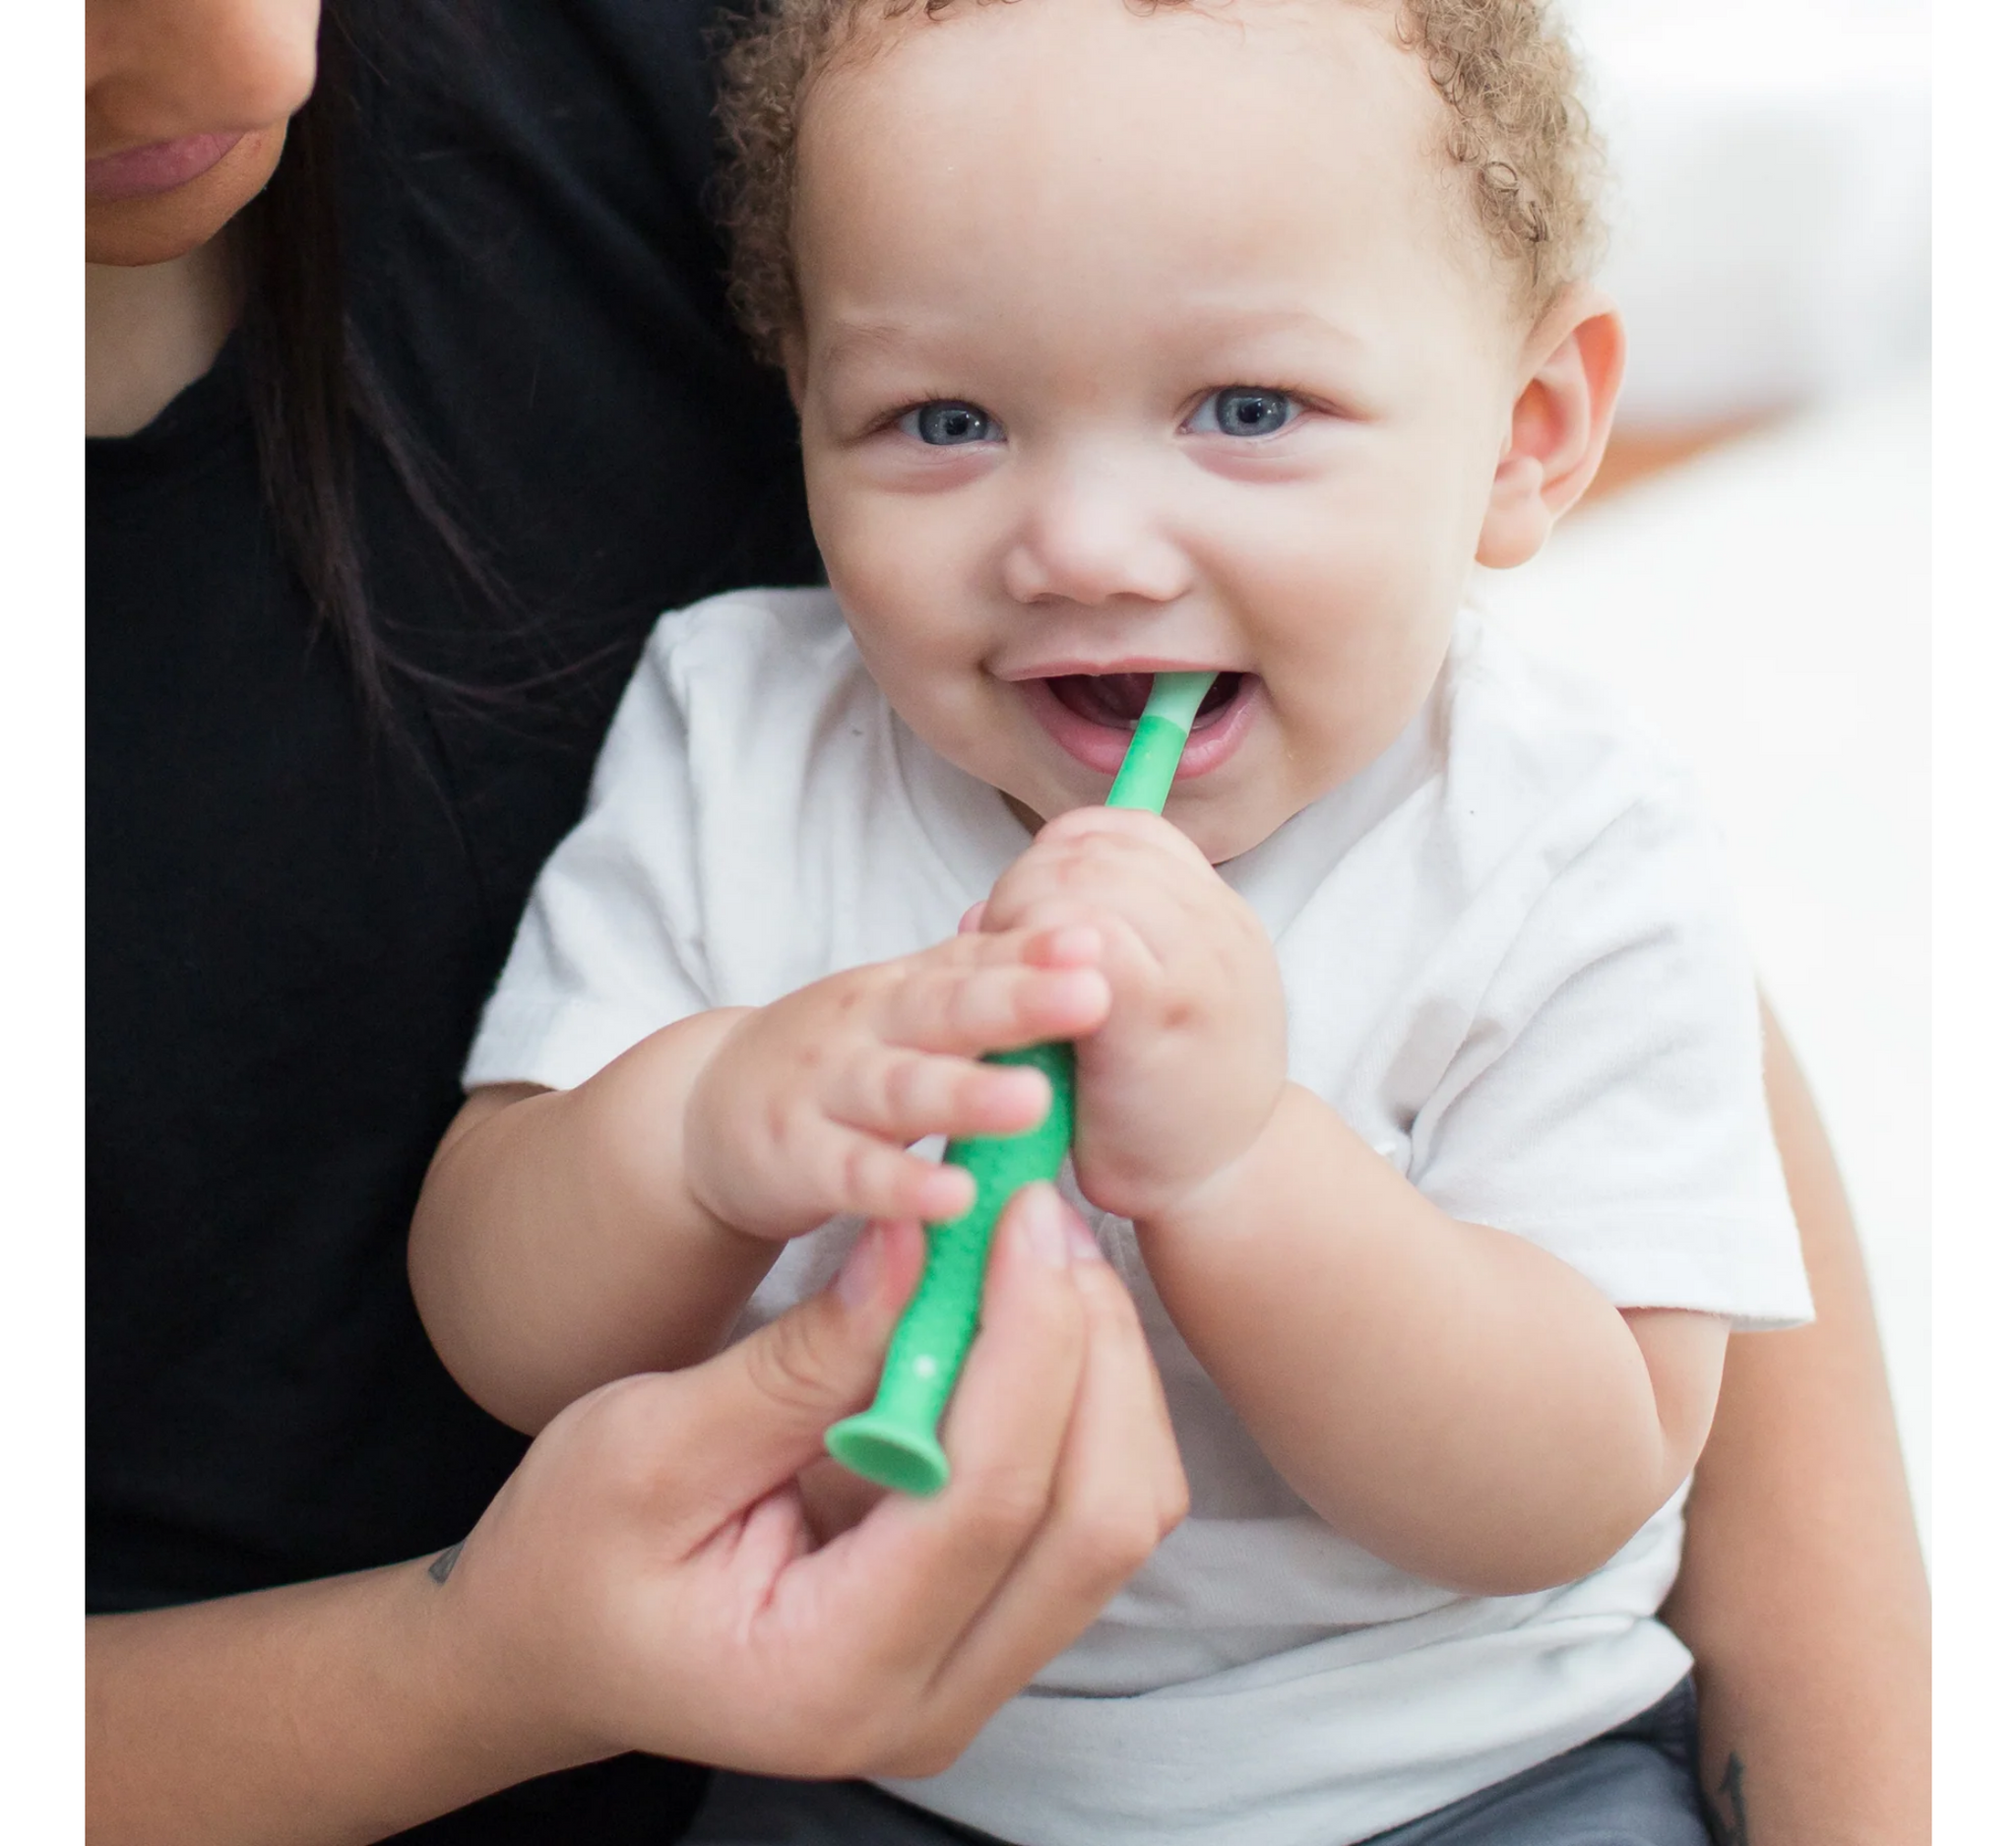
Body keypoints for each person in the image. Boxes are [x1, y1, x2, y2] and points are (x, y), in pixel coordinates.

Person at [88, 0, 1926, 1842]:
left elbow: (1580, 1476)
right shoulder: (747, 735)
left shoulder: (1564, 838)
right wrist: (710, 1130)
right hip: (873, 1782)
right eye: (943, 420)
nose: (1085, 543)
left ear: (1529, 439)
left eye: (1248, 410)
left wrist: (1235, 1168)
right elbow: (500, 1321)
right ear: (793, 398)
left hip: (1465, 1778)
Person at [87, 2, 1184, 1842]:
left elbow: (1632, 1392)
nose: (261, 63)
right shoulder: (737, 712)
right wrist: (479, 1669)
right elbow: (501, 1308)